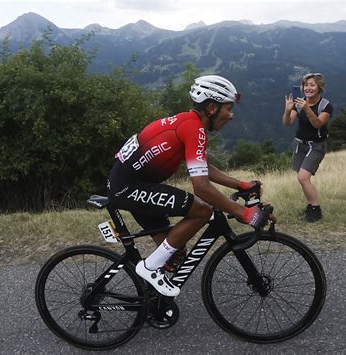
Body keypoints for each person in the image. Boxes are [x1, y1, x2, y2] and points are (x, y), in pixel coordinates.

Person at [107, 75, 274, 297]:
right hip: (128, 188)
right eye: (228, 108)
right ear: (212, 108)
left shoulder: (189, 123)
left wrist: (241, 184)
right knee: (202, 210)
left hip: (133, 184)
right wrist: (244, 213)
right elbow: (202, 188)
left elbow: (201, 165)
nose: (231, 115)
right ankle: (148, 269)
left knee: (175, 251)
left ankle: (150, 301)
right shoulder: (193, 128)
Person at [282, 73, 333, 222]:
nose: (308, 88)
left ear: (319, 87)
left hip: (316, 145)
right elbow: (286, 123)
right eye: (306, 85)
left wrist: (307, 109)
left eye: (312, 85)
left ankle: (316, 210)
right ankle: (311, 206)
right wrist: (287, 110)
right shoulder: (299, 102)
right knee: (302, 178)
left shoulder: (325, 106)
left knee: (303, 177)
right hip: (300, 144)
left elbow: (318, 124)